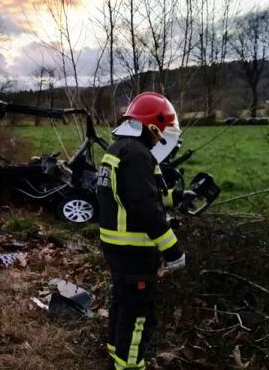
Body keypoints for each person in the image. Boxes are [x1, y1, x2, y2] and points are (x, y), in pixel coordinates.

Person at [97, 92, 186, 370]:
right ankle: (131, 365)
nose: (164, 138)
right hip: (134, 251)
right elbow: (145, 207)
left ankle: (116, 353)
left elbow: (134, 194)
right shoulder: (137, 155)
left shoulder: (118, 149)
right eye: (163, 130)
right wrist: (173, 249)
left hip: (116, 247)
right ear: (152, 126)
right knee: (139, 313)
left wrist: (177, 197)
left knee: (122, 303)